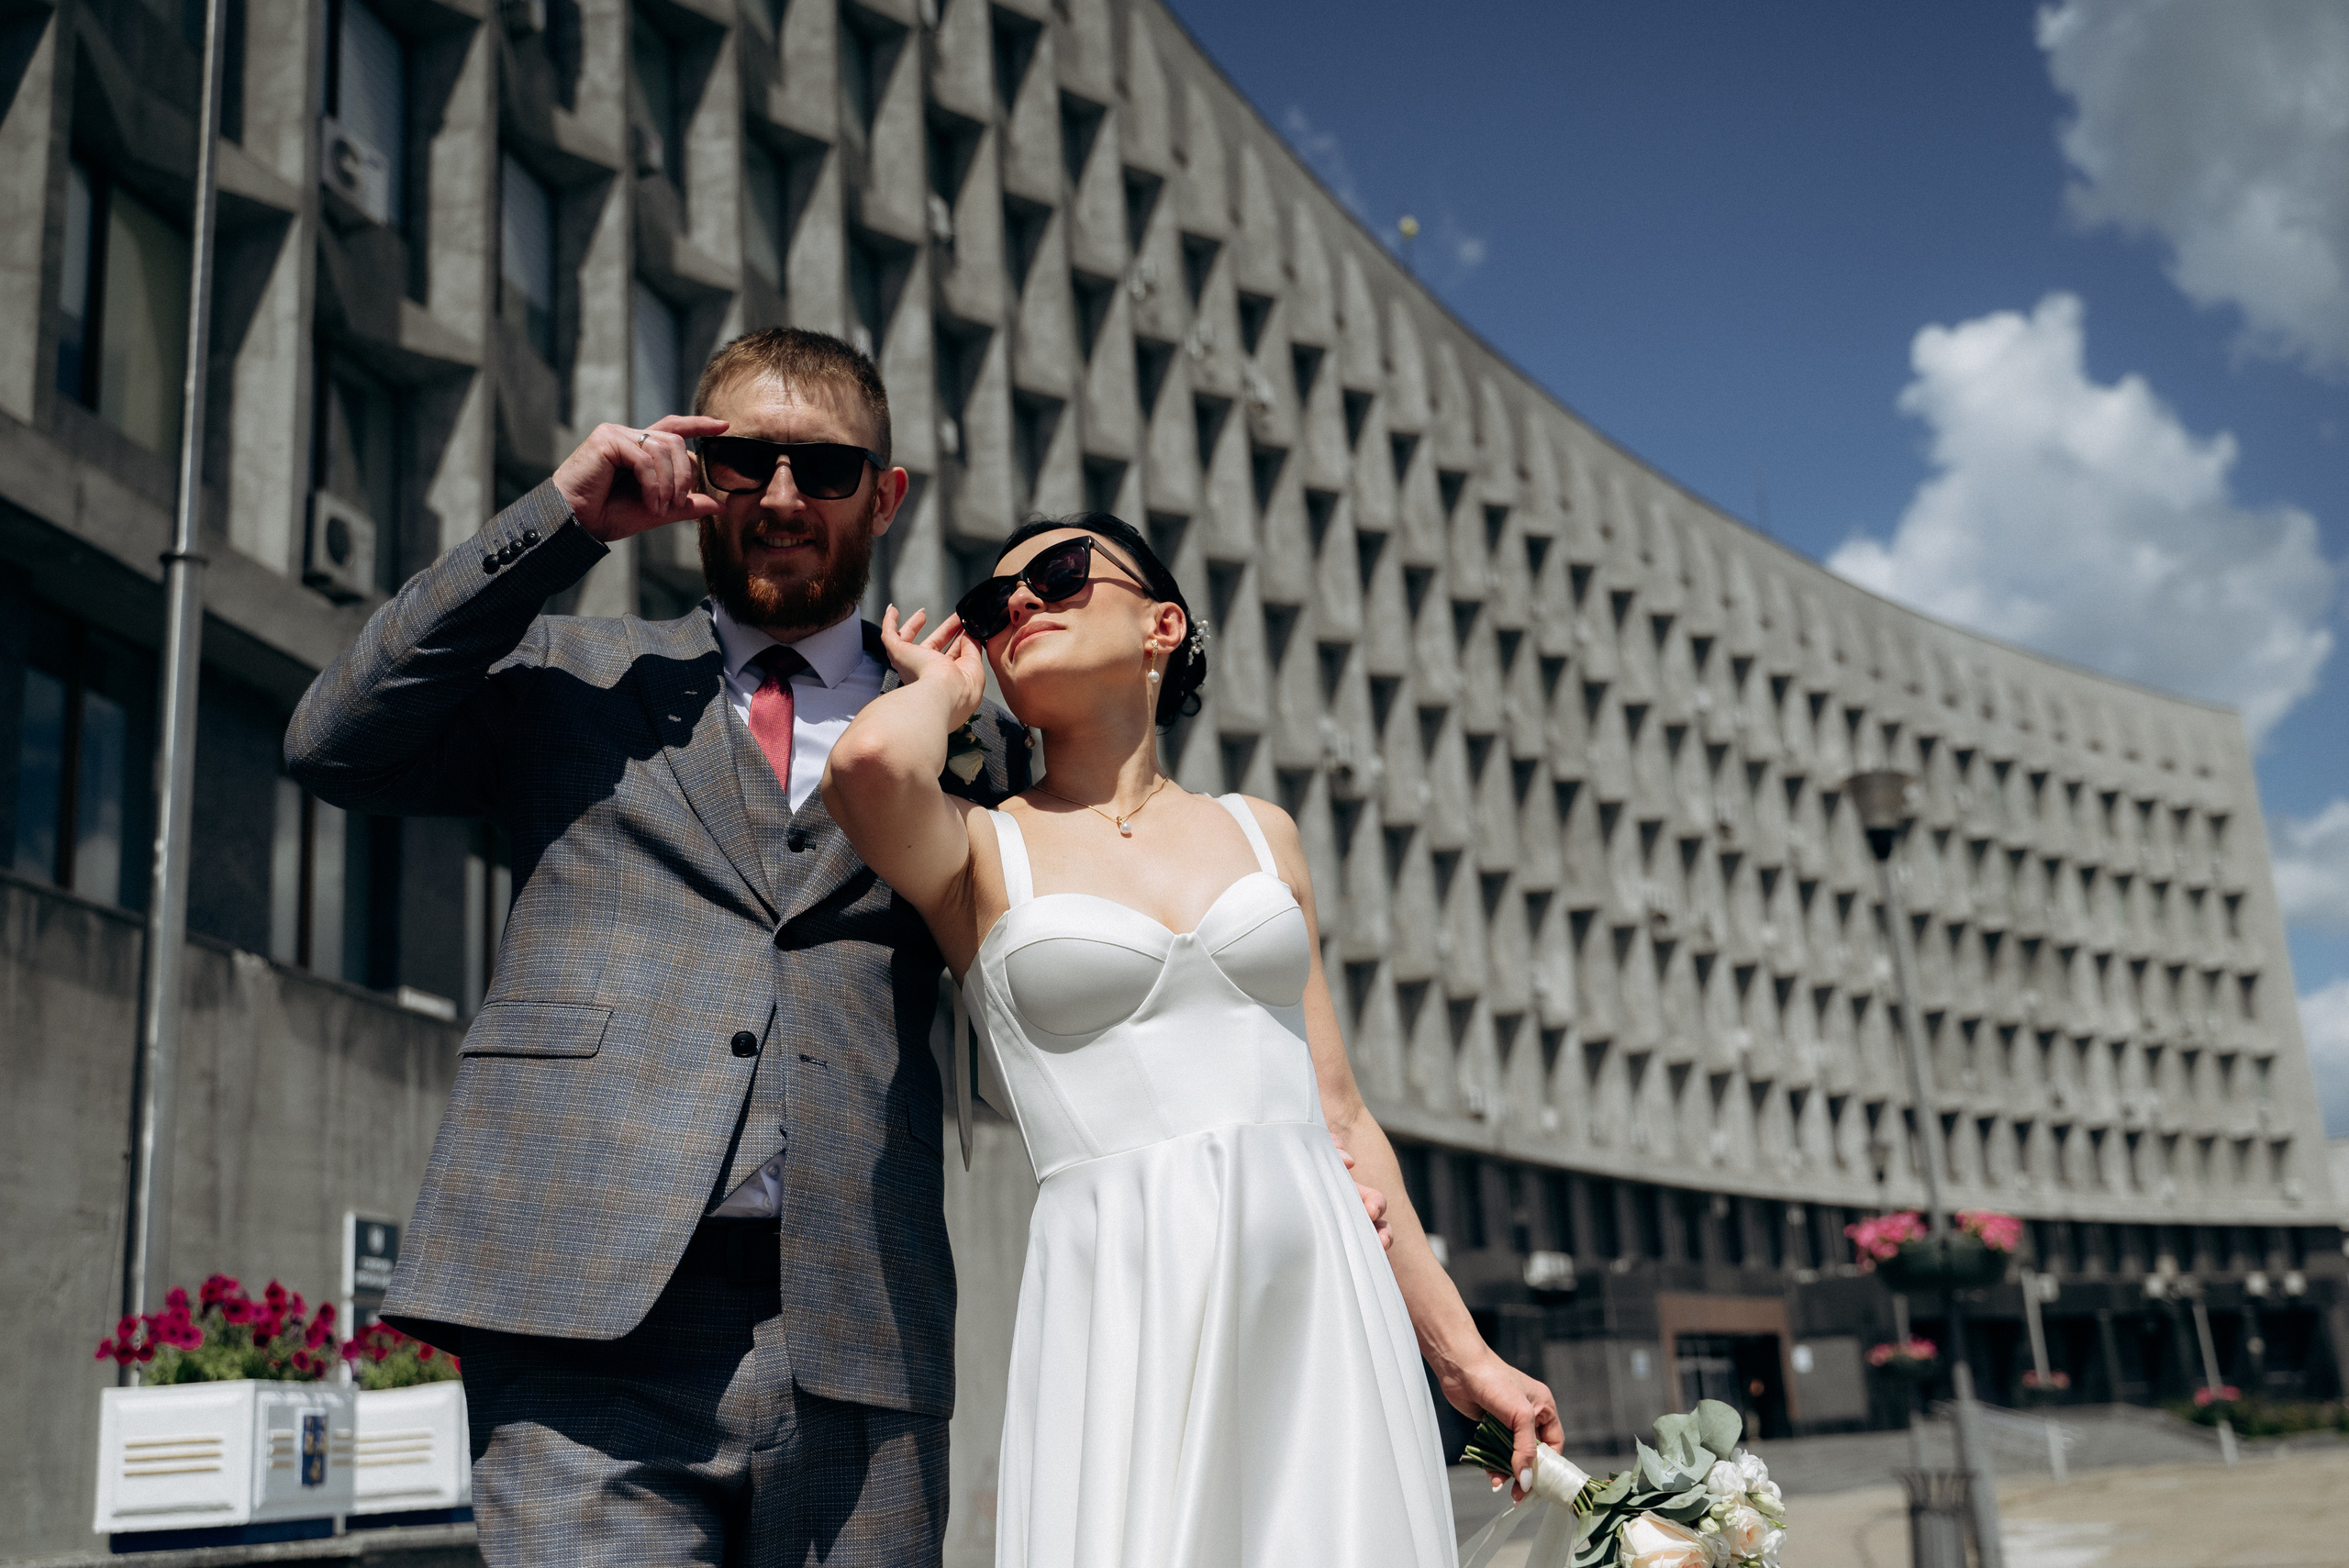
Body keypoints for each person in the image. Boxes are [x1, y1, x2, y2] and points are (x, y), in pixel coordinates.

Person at [285, 329, 1032, 1566]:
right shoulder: (569, 675)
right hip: (584, 1319)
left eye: (826, 468)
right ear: (698, 474)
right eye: (745, 462)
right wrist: (565, 520)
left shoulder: (964, 748)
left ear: (886, 494)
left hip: (860, 1333)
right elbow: (334, 741)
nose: (783, 498)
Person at [823, 514, 1565, 1567]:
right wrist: (940, 694)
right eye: (992, 608)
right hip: (1122, 1296)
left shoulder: (1264, 830)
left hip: (1319, 1288)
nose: (1019, 605)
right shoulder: (982, 846)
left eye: (1059, 575)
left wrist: (1463, 1355)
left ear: (1161, 623)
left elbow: (1342, 1114)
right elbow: (863, 768)